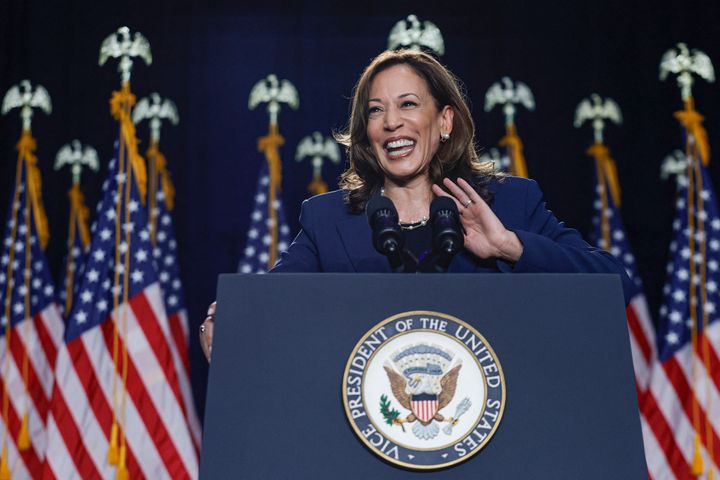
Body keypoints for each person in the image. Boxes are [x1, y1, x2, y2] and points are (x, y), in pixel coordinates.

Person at [199, 49, 632, 361]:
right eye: (376, 111)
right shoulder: (328, 220)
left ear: (444, 120)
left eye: (408, 104)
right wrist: (232, 326)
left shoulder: (509, 204)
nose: (391, 122)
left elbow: (615, 285)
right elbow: (272, 306)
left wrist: (508, 246)